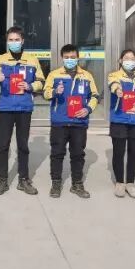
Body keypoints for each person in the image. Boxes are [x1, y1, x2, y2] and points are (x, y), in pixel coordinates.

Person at [0, 26, 45, 196]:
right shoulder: (0, 59)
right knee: (3, 145)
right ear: (7, 42)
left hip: (24, 107)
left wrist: (30, 85)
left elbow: (41, 81)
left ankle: (23, 179)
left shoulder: (32, 60)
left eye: (17, 40)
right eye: (11, 40)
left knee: (23, 145)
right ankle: (2, 180)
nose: (14, 42)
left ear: (22, 41)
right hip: (5, 107)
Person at [43, 44, 99, 198]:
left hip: (79, 122)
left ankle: (77, 184)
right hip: (59, 121)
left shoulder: (87, 76)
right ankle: (56, 183)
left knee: (78, 154)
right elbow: (45, 93)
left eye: (73, 57)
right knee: (57, 153)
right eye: (66, 57)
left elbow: (95, 96)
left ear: (77, 58)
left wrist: (88, 109)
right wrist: (55, 92)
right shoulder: (54, 75)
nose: (70, 60)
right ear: (62, 58)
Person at [106, 49, 135, 198]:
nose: (130, 61)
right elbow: (112, 84)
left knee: (134, 153)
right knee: (118, 152)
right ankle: (120, 183)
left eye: (132, 59)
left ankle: (130, 183)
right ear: (120, 60)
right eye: (126, 58)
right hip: (119, 118)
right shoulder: (114, 75)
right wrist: (117, 90)